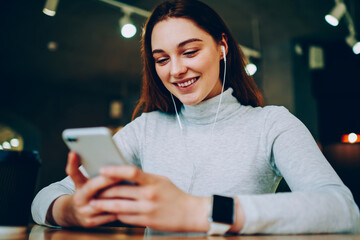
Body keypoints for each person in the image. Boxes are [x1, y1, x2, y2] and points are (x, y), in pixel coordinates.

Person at [31, 0, 360, 235]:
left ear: (222, 47)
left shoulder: (272, 124)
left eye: (189, 51)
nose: (176, 70)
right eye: (162, 59)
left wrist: (199, 211)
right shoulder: (146, 128)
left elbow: (342, 209)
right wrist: (73, 211)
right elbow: (44, 197)